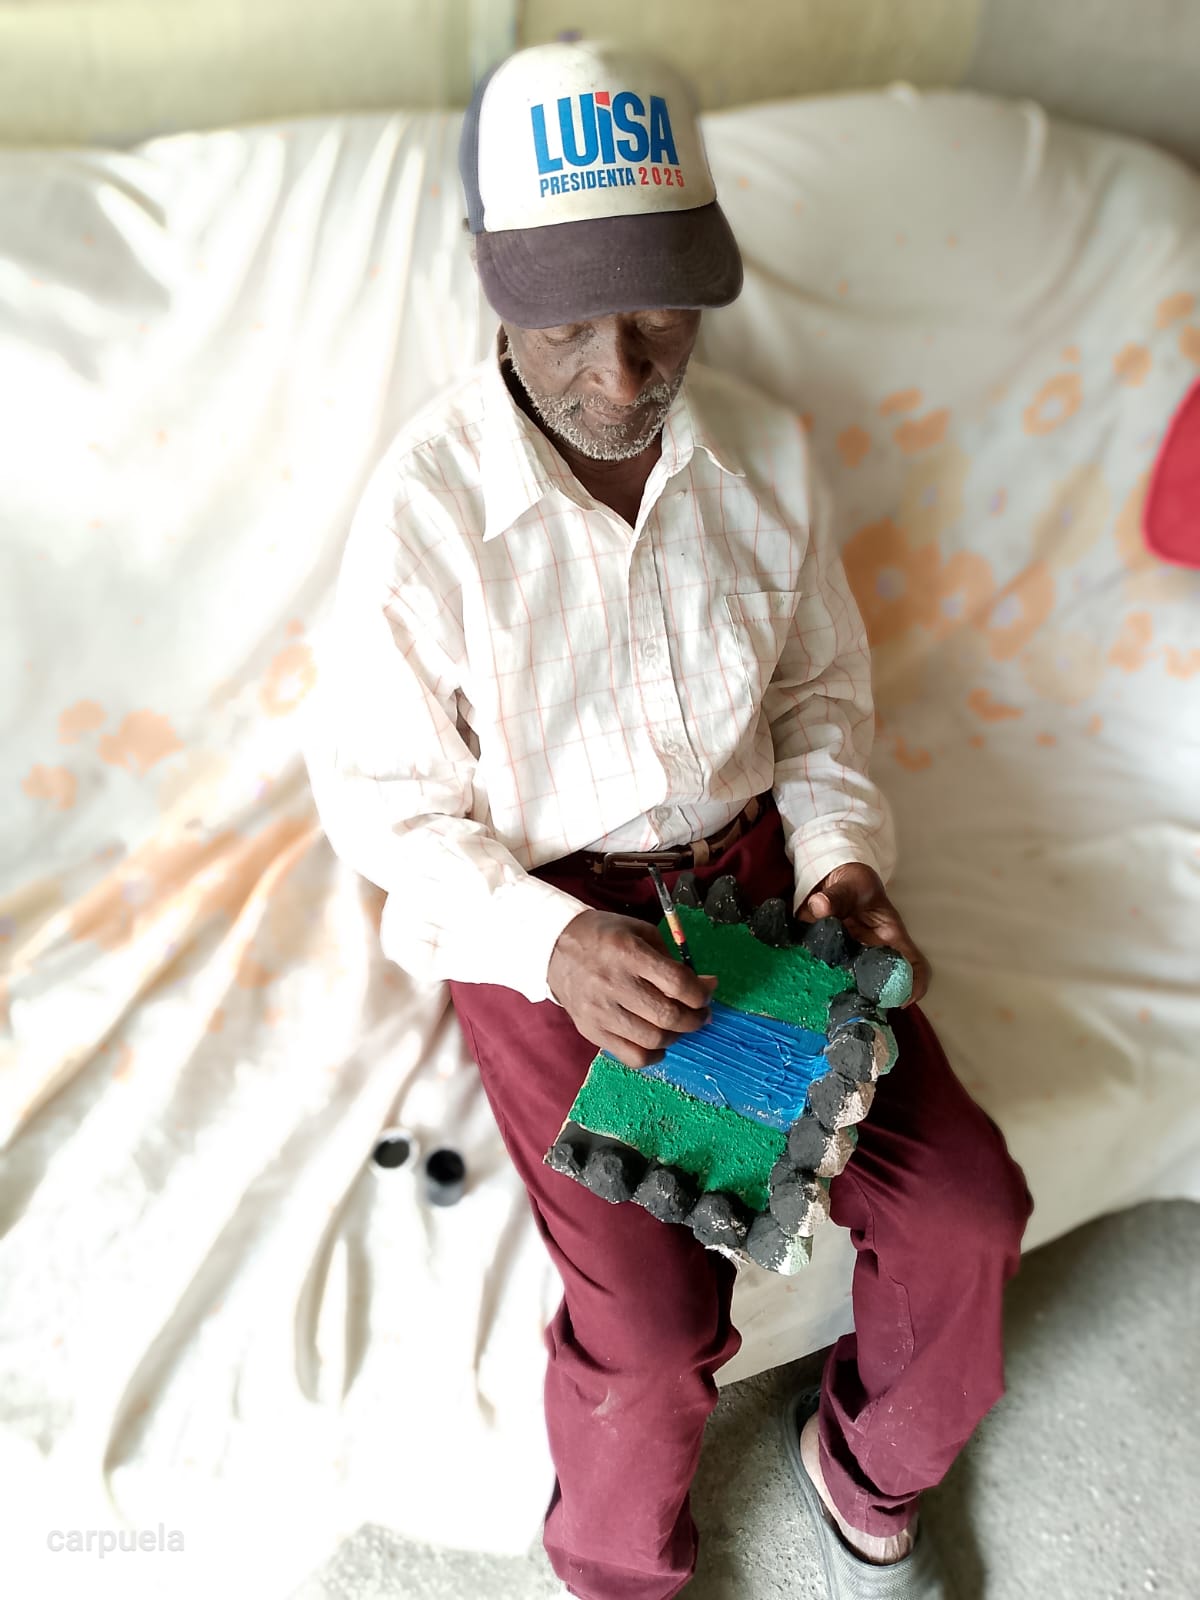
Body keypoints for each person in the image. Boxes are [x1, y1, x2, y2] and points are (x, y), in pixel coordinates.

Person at [309, 39, 1033, 1600]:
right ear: (496, 287)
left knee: (969, 1210)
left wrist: (842, 856)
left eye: (657, 313)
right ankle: (617, 1572)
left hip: (755, 879)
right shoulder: (427, 512)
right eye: (568, 319)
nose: (623, 373)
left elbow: (820, 698)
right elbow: (380, 799)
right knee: (647, 1333)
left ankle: (867, 1465)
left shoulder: (765, 454)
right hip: (551, 916)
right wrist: (549, 943)